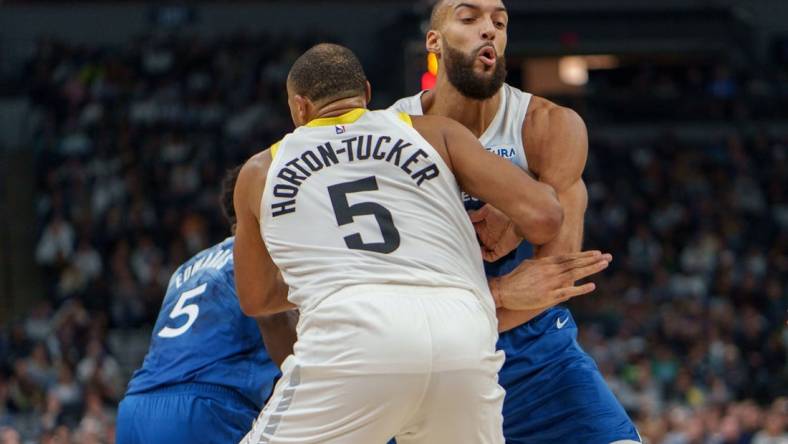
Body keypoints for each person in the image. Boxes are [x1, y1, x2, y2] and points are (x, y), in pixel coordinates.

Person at [234, 43, 612, 444]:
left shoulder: (259, 171)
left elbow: (255, 299)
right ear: (366, 92)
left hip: (354, 333)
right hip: (463, 331)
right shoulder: (431, 130)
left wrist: (326, 276)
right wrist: (512, 223)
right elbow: (546, 214)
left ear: (299, 107)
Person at [389, 0, 641, 442]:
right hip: (430, 358)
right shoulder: (389, 134)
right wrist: (500, 292)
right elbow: (387, 293)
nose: (489, 30)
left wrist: (521, 212)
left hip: (534, 353)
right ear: (434, 41)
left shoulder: (549, 126)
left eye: (499, 22)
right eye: (469, 19)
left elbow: (552, 281)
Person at [115, 168, 283, 444]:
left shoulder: (187, 266)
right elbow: (282, 334)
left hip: (137, 406)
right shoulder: (267, 256)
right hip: (204, 409)